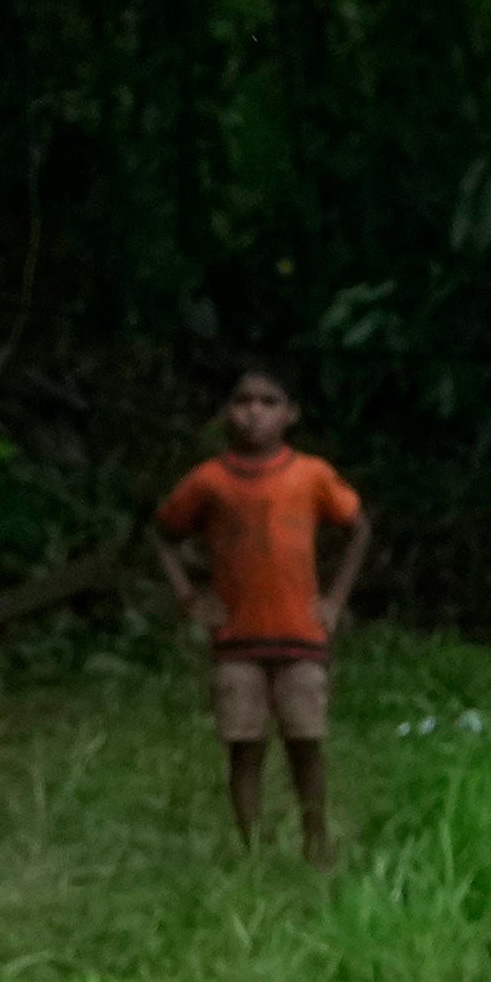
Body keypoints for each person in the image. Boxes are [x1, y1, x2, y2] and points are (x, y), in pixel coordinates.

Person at [149, 366, 371, 864]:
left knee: (306, 743)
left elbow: (358, 528)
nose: (254, 412)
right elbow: (162, 532)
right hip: (237, 638)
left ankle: (317, 837)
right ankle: (251, 847)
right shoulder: (209, 480)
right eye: (243, 401)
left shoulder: (311, 475)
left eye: (268, 402)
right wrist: (190, 598)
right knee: (243, 746)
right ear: (228, 411)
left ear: (290, 414)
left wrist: (334, 601)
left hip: (300, 635)